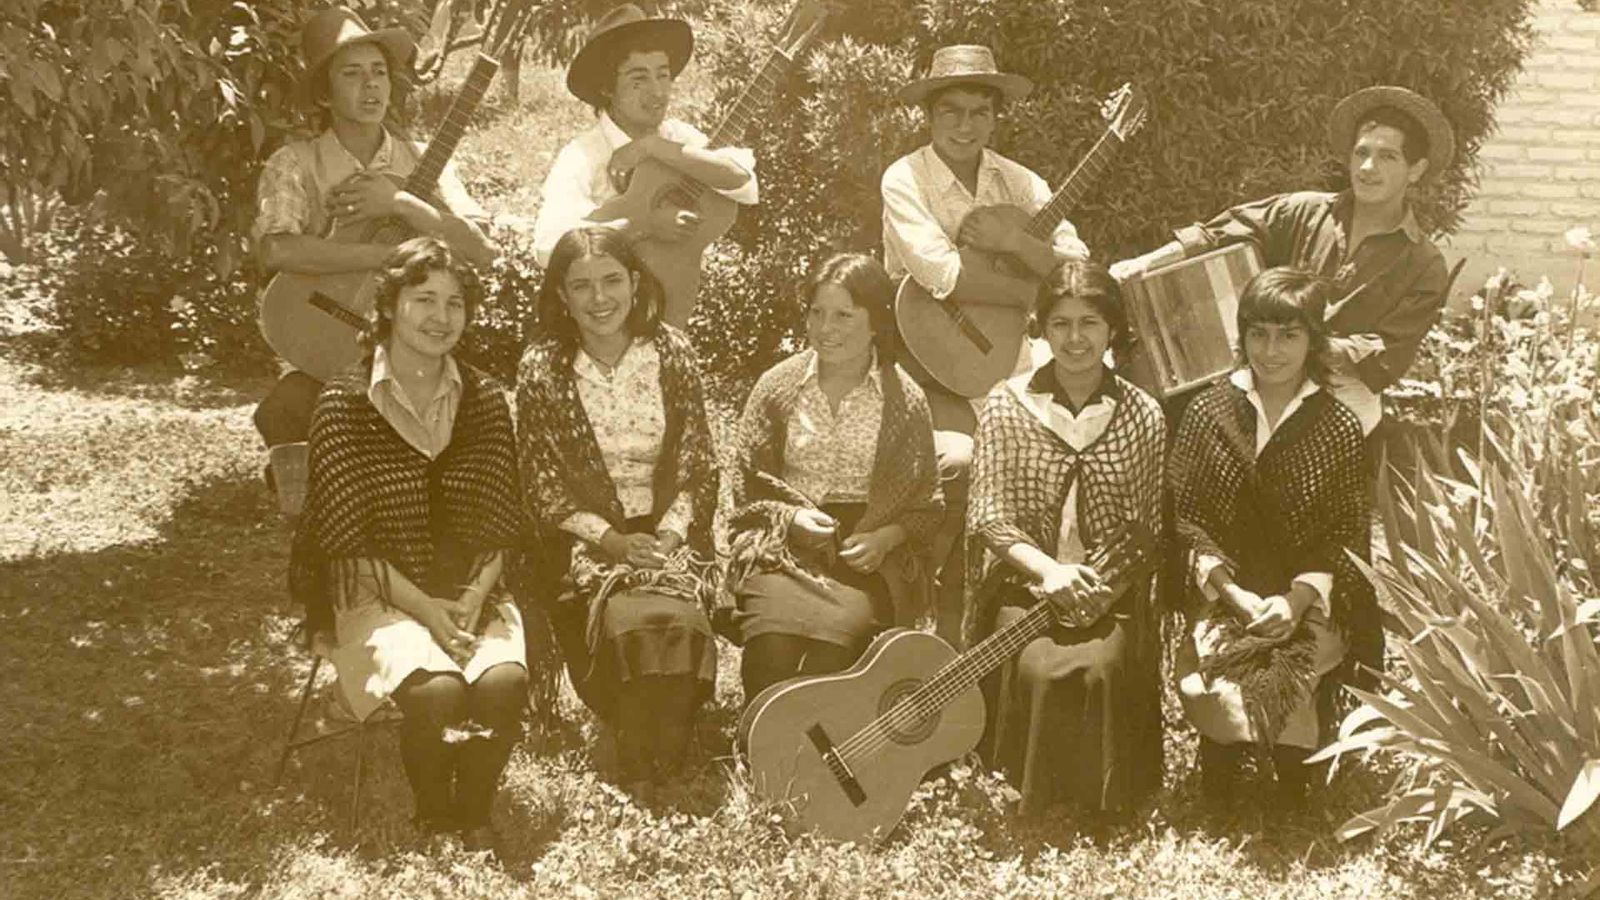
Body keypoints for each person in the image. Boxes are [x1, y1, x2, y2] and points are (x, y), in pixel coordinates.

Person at [288, 237, 527, 850]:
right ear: (389, 304)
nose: (440, 317)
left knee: (501, 685)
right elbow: (345, 541)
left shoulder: (485, 399)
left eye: (454, 303)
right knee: (440, 691)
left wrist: (471, 600)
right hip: (373, 590)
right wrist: (428, 613)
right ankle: (434, 812)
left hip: (471, 589)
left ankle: (472, 810)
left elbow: (504, 518)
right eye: (424, 299)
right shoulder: (343, 403)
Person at [880, 44, 1091, 646]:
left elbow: (1078, 276)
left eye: (979, 112)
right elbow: (940, 274)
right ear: (928, 114)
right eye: (951, 111)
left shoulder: (1021, 182)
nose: (965, 125)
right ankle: (904, 638)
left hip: (1008, 361)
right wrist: (1030, 294)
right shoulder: (905, 177)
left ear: (997, 117)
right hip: (931, 361)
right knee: (953, 490)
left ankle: (982, 638)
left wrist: (1014, 241)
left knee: (1021, 500)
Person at [1111, 85, 1454, 441]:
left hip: (1338, 386)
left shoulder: (1424, 264)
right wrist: (1148, 261)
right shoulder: (1304, 209)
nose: (1368, 167)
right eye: (1361, 153)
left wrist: (1295, 344)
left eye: (1388, 157)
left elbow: (1385, 356)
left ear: (1416, 170)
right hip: (1260, 371)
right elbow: (1226, 230)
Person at [516, 226, 719, 795]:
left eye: (611, 280)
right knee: (624, 625)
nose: (598, 298)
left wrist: (670, 539)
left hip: (667, 532)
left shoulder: (672, 352)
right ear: (560, 295)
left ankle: (669, 728)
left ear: (635, 283)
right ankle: (633, 732)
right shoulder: (543, 366)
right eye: (581, 285)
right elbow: (542, 481)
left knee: (676, 623)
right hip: (583, 543)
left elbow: (698, 462)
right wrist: (611, 542)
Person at [1167, 267, 1374, 813]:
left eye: (1289, 335)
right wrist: (1232, 595)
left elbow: (1342, 534)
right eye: (1258, 333)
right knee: (1220, 672)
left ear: (1313, 340)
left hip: (1304, 600)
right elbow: (1186, 521)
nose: (1272, 350)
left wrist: (1294, 600)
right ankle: (1222, 774)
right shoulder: (1207, 411)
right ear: (1242, 337)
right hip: (1226, 592)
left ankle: (1289, 788)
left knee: (1294, 671)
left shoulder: (1336, 426)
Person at [962, 260, 1165, 816]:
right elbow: (989, 516)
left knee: (1099, 667)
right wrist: (1050, 574)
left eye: (1090, 323)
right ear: (1041, 330)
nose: (1075, 339)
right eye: (1061, 324)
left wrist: (1099, 587)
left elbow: (1144, 528)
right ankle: (1025, 794)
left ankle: (1101, 802)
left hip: (1109, 588)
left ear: (1113, 330)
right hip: (1023, 583)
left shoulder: (1143, 413)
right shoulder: (1006, 404)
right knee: (1038, 667)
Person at [253, 7, 494, 466]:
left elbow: (480, 250)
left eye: (379, 72)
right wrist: (381, 256)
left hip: (416, 356)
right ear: (324, 96)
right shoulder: (294, 162)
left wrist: (400, 203)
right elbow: (278, 248)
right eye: (352, 74)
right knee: (289, 412)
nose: (371, 86)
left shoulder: (423, 160)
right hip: (321, 346)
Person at [725, 253, 943, 702]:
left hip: (866, 550)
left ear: (876, 322)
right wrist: (788, 520)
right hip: (784, 543)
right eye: (817, 313)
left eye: (844, 315)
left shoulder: (906, 400)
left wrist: (885, 538)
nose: (826, 328)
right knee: (773, 642)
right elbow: (748, 488)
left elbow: (927, 503)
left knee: (838, 645)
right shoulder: (778, 387)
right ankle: (762, 747)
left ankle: (826, 752)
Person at [531, 4, 758, 296]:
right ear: (607, 88)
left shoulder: (677, 136)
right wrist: (641, 226)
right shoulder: (582, 157)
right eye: (639, 79)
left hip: (674, 302)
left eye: (663, 75)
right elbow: (548, 247)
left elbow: (743, 184)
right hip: (605, 320)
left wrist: (653, 147)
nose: (658, 92)